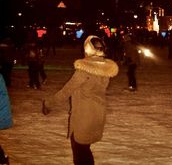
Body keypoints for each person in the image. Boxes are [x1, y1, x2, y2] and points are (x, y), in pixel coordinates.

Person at [42, 35, 119, 165]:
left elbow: (66, 91)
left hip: (84, 117)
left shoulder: (84, 70)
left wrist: (48, 104)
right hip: (98, 114)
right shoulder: (105, 68)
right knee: (85, 149)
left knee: (79, 151)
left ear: (88, 49)